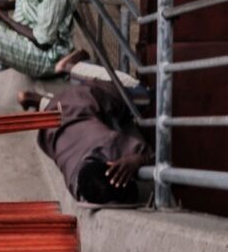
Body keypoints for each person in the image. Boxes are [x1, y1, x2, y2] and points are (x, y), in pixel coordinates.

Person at [19, 75, 150, 206]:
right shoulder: (76, 183)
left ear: (111, 161)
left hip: (90, 94)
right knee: (72, 110)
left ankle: (76, 67)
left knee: (145, 96)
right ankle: (43, 101)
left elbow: (153, 155)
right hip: (54, 118)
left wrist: (138, 160)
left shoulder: (107, 144)